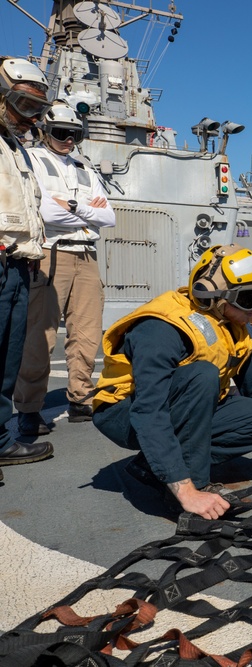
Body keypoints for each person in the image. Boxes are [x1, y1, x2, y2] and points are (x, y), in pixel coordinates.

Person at [91, 244, 252, 519]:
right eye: (248, 299)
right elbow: (149, 412)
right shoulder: (161, 328)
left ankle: (150, 467)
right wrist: (187, 490)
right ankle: (186, 487)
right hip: (124, 412)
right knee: (202, 375)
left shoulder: (235, 326)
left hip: (179, 404)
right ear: (212, 295)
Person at [15, 101, 116, 436]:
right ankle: (29, 408)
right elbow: (43, 212)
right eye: (61, 133)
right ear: (45, 129)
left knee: (87, 334)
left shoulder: (85, 168)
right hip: (50, 253)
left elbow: (109, 217)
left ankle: (81, 397)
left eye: (75, 134)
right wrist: (87, 210)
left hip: (86, 256)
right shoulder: (32, 159)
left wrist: (70, 205)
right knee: (40, 336)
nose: (69, 140)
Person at [0, 57, 55, 476]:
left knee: (7, 359)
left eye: (37, 109)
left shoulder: (15, 148)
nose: (29, 117)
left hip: (18, 266)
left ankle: (1, 440)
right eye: (23, 105)